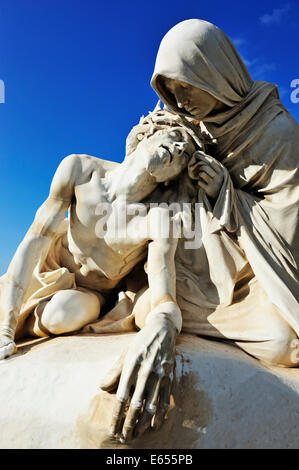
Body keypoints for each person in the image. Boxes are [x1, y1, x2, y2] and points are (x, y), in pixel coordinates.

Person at [0, 107, 203, 442]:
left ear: (173, 177)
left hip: (93, 295)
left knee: (63, 314)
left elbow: (164, 289)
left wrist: (163, 322)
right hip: (48, 271)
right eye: (176, 137)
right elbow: (34, 240)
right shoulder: (80, 169)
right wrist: (6, 325)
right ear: (147, 134)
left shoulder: (158, 218)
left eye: (186, 155)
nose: (180, 149)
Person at [150, 19, 299, 368]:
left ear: (214, 74)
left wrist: (226, 194)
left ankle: (165, 308)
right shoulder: (188, 127)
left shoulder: (278, 133)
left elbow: (291, 225)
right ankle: (160, 302)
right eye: (172, 92)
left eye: (186, 86)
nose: (181, 101)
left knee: (284, 344)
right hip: (190, 254)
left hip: (259, 266)